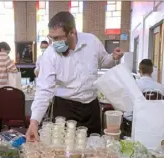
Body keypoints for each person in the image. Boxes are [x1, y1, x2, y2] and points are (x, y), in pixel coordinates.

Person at [26, 11, 123, 142]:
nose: (54, 43)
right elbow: (44, 90)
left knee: (93, 149)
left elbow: (104, 61)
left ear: (72, 32)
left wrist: (113, 57)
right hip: (65, 108)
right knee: (64, 149)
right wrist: (34, 122)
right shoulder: (50, 55)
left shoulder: (91, 42)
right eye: (52, 38)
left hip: (91, 107)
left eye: (58, 38)